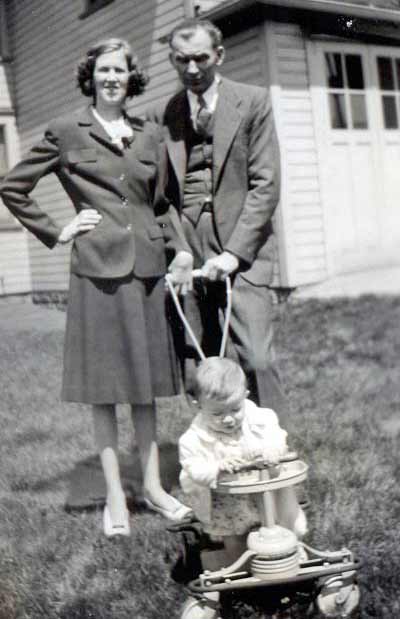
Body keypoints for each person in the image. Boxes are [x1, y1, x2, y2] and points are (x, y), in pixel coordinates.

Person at [0, 38, 194, 536]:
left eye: (121, 70)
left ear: (132, 78)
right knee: (105, 392)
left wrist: (183, 250)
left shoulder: (148, 133)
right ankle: (114, 498)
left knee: (147, 389)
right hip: (98, 274)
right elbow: (12, 185)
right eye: (104, 70)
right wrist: (58, 229)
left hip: (147, 272)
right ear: (92, 76)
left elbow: (163, 203)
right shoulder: (67, 131)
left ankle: (153, 488)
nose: (112, 78)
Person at [147, 18, 288, 427]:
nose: (191, 69)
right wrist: (181, 251)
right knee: (202, 363)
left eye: (201, 59)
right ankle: (221, 458)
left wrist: (233, 254)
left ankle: (275, 459)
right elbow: (160, 198)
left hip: (242, 250)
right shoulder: (162, 114)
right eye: (181, 60)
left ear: (219, 56)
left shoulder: (253, 101)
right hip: (188, 250)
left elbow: (266, 184)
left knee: (256, 358)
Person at [179, 357, 307, 563]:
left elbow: (277, 436)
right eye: (217, 413)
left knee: (281, 525)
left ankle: (290, 553)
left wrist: (273, 451)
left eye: (235, 409)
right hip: (227, 499)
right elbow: (192, 467)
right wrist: (216, 467)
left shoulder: (261, 418)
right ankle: (240, 569)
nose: (229, 419)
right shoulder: (193, 438)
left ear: (245, 396)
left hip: (263, 491)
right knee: (235, 538)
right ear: (198, 406)